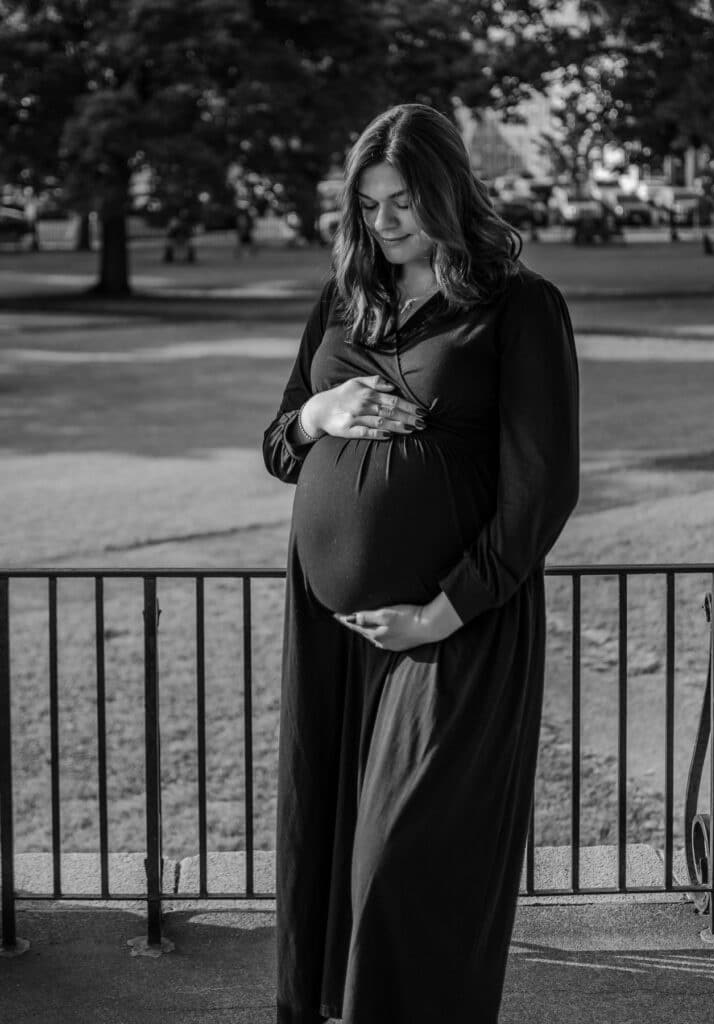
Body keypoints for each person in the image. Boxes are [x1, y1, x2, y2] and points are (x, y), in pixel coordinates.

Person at [262, 103, 579, 1024]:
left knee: (405, 866)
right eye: (367, 206)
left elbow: (540, 489)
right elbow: (281, 444)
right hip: (332, 639)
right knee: (327, 859)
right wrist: (322, 416)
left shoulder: (518, 307)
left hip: (452, 632)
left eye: (403, 200)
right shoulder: (341, 301)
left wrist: (439, 613)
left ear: (448, 190)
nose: (385, 222)